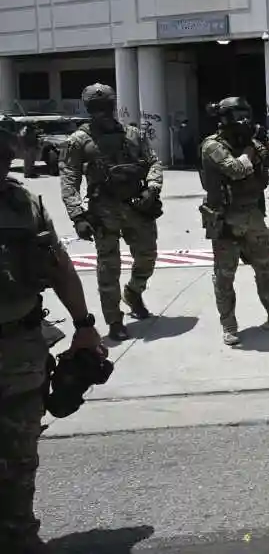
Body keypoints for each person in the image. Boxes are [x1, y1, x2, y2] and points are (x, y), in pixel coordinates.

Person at [0, 128, 102, 553]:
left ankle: (20, 538)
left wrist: (84, 324)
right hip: (20, 352)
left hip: (19, 352)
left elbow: (58, 266)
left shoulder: (23, 204)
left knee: (20, 458)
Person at [60, 84, 162, 342]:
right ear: (88, 109)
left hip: (138, 206)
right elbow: (69, 179)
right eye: (95, 108)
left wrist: (152, 188)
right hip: (103, 212)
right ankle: (114, 320)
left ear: (113, 106)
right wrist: (77, 215)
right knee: (108, 268)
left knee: (147, 258)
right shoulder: (79, 141)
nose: (101, 112)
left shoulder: (133, 134)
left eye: (105, 106)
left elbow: (153, 162)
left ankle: (134, 292)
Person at [199, 97, 269, 346]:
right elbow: (235, 169)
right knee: (225, 275)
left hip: (253, 215)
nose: (245, 121)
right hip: (225, 217)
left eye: (246, 115)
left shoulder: (253, 142)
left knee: (266, 267)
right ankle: (229, 325)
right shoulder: (212, 145)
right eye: (239, 116)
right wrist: (251, 150)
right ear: (225, 119)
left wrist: (264, 140)